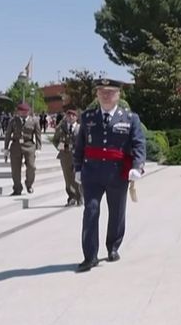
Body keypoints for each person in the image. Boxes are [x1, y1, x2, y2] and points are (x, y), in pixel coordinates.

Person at [73, 78, 146, 272]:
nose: (106, 95)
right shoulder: (88, 117)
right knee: (90, 211)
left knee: (117, 212)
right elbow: (80, 145)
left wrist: (137, 166)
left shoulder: (130, 118)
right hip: (92, 173)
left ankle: (113, 246)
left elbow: (139, 143)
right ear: (96, 94)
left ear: (118, 95)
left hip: (117, 173)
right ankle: (90, 256)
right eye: (102, 91)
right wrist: (77, 168)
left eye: (110, 92)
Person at [3, 102, 41, 195]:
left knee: (31, 167)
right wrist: (6, 148)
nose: (24, 113)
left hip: (29, 145)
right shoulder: (13, 121)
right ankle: (17, 188)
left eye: (26, 111)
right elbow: (8, 135)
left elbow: (38, 134)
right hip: (16, 145)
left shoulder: (34, 121)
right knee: (15, 169)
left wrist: (38, 147)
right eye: (21, 111)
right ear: (18, 112)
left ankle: (29, 184)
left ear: (29, 111)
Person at [52, 108, 82, 206]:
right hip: (65, 155)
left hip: (77, 156)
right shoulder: (61, 128)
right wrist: (59, 147)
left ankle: (80, 197)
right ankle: (71, 197)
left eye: (73, 115)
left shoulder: (80, 128)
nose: (70, 117)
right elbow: (55, 140)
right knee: (68, 178)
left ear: (76, 117)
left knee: (77, 176)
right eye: (69, 115)